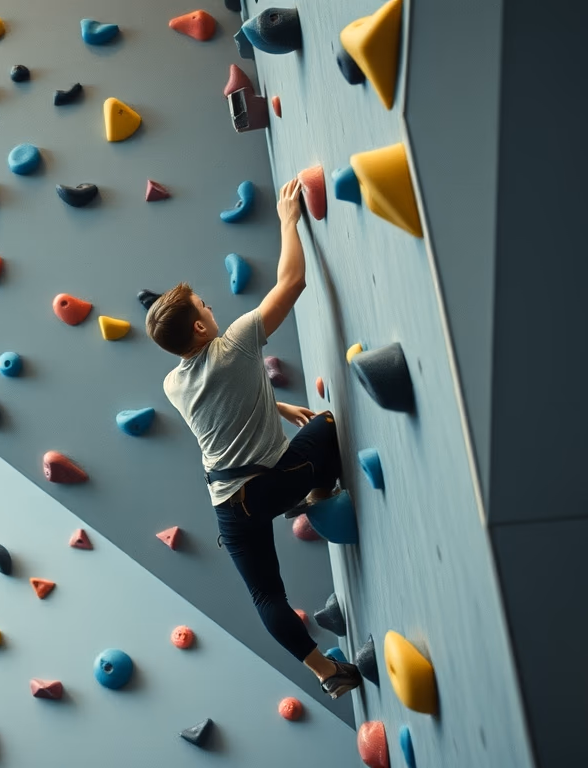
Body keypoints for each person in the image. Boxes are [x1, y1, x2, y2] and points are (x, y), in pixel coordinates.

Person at [144, 178, 362, 699]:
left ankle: (327, 674)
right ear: (200, 328)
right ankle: (316, 494)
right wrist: (288, 219)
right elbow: (292, 281)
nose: (210, 308)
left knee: (266, 596)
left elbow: (224, 409)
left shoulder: (173, 383)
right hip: (268, 483)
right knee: (327, 425)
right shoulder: (236, 344)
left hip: (228, 506)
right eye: (204, 306)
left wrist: (278, 406)